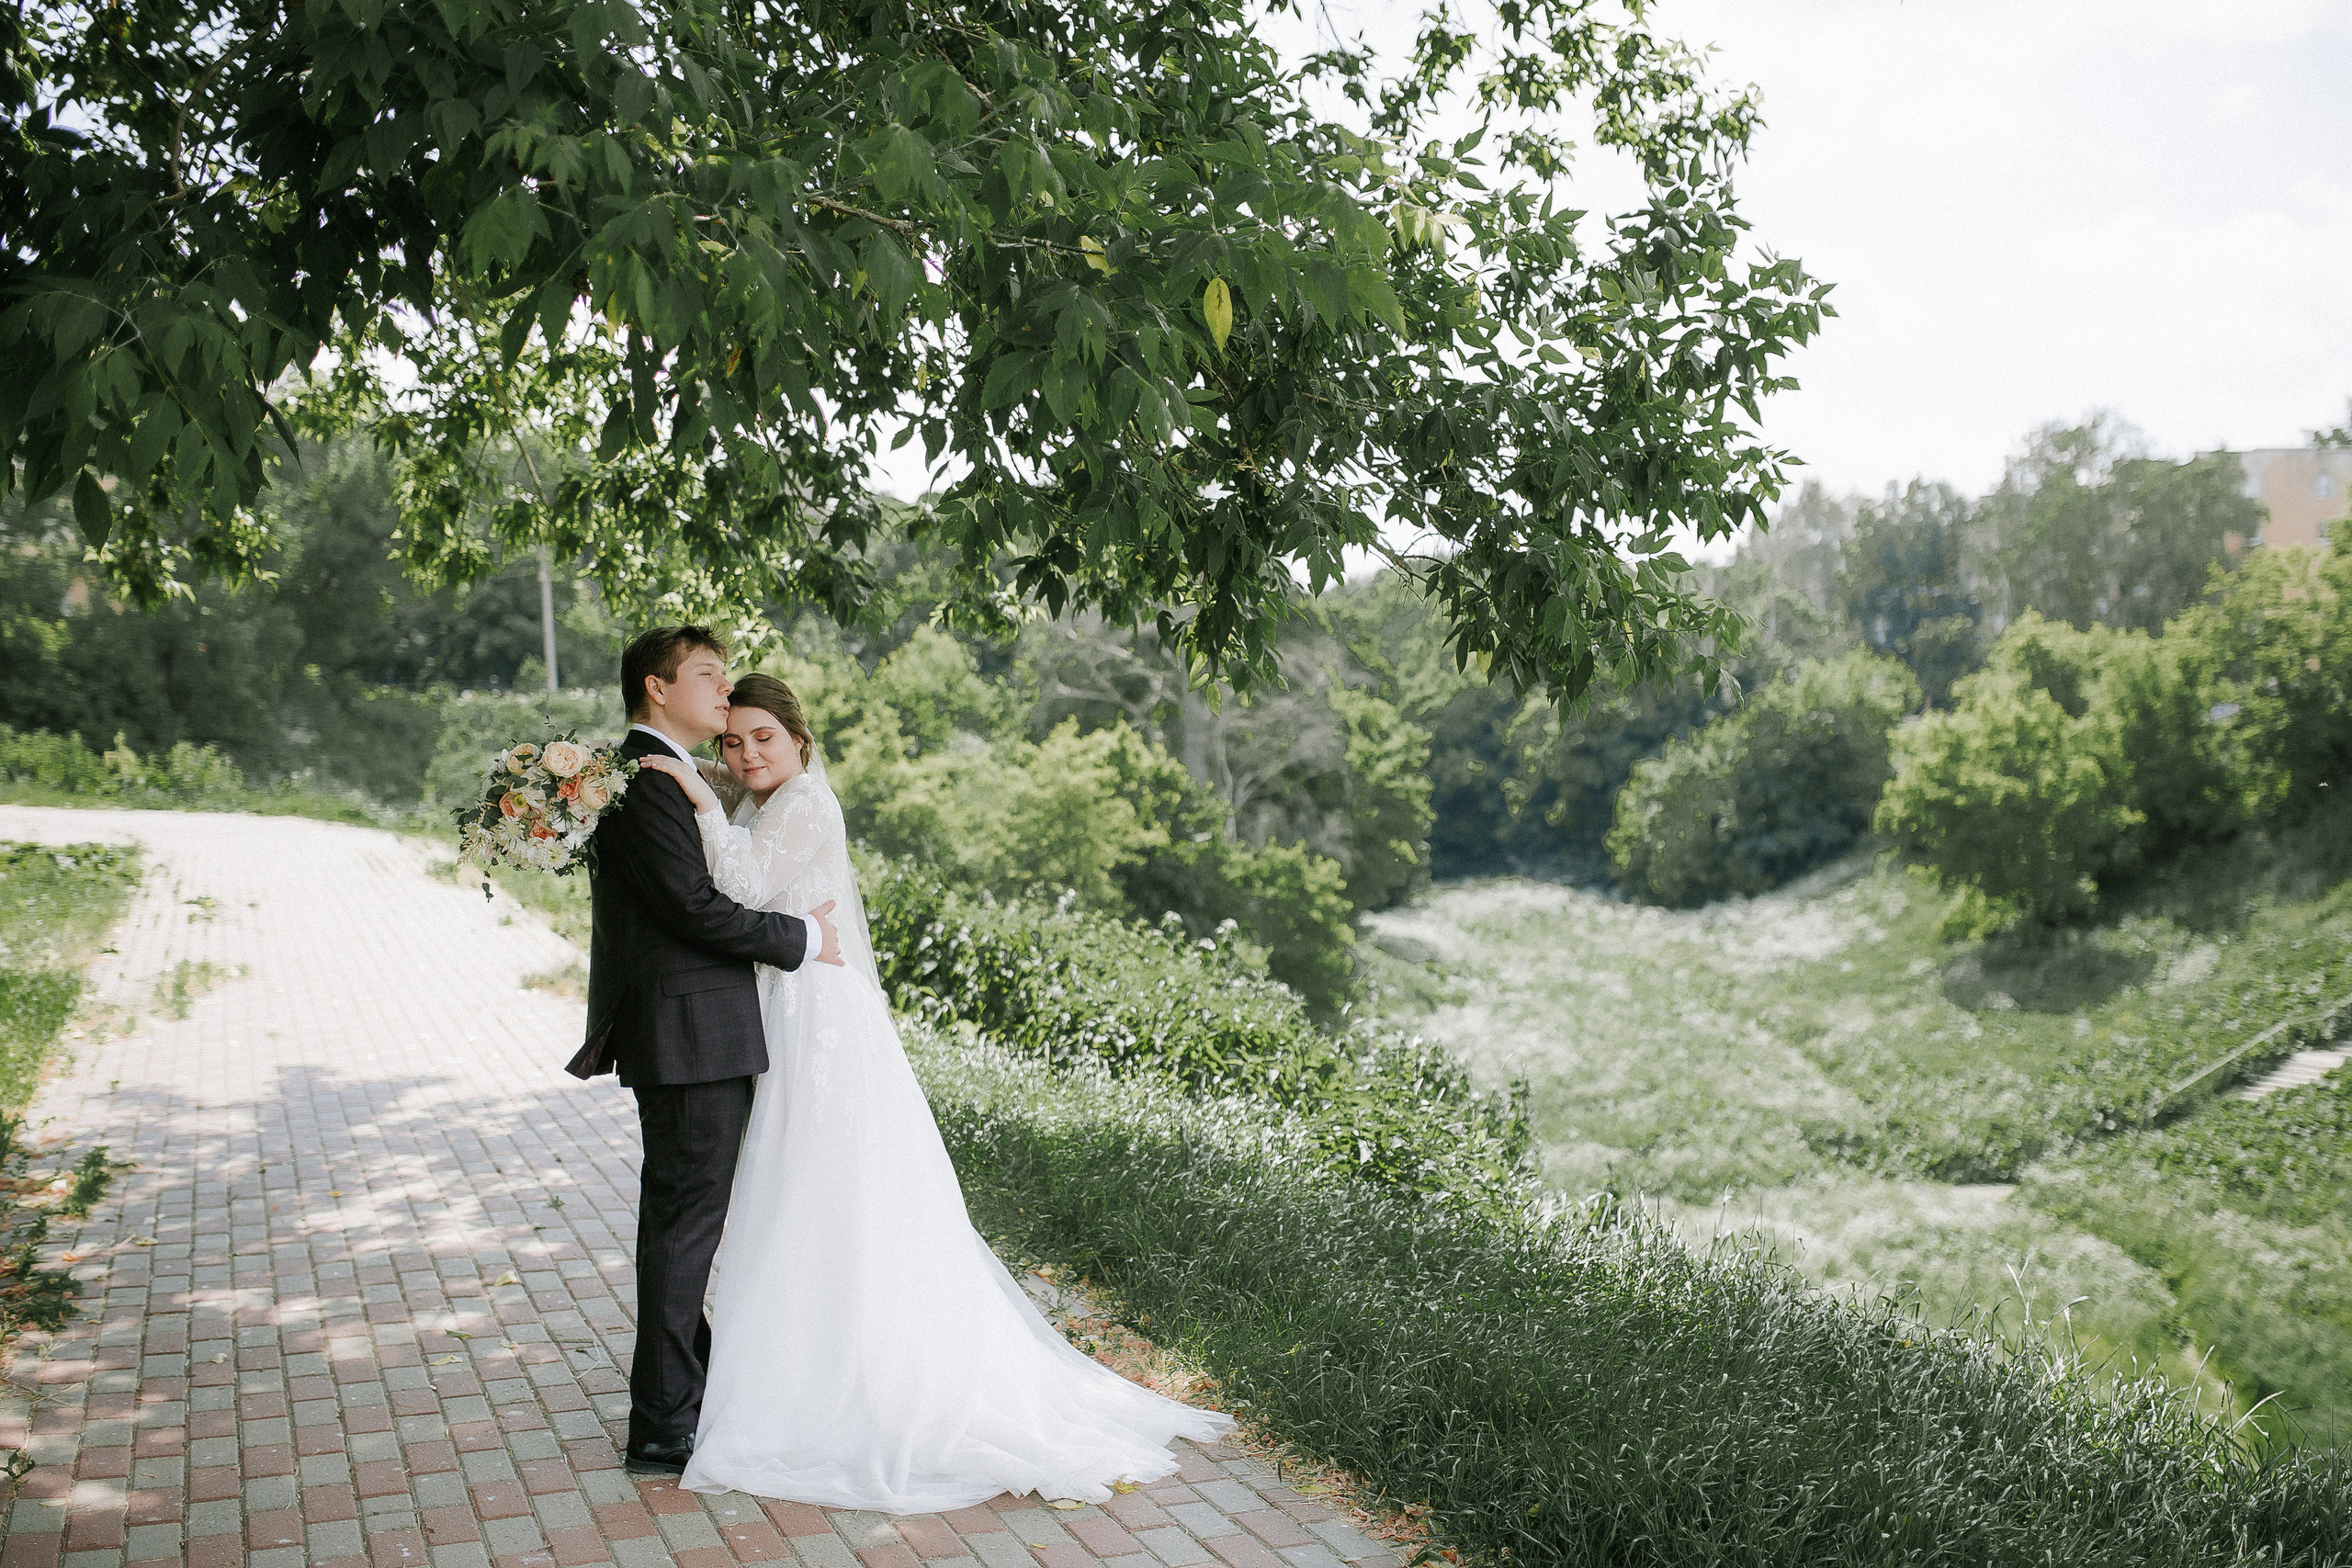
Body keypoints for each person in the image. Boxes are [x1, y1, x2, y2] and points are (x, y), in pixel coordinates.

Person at [632, 672, 1229, 1510]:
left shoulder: (806, 803)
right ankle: (801, 1358)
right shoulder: (762, 803)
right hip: (783, 1005)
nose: (746, 753)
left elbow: (738, 889)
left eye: (763, 736)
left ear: (801, 739)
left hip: (818, 1017)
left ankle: (847, 1373)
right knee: (791, 1190)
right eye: (731, 742)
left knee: (823, 1186)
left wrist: (696, 790)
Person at [573, 628, 844, 1477]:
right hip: (692, 1034)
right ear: (657, 687)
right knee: (686, 1230)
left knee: (686, 1227)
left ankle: (686, 1396)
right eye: (708, 676)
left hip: (700, 1031)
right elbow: (698, 907)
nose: (724, 694)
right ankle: (662, 1425)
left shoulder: (666, 774)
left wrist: (714, 779)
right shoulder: (652, 782)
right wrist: (803, 936)